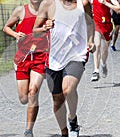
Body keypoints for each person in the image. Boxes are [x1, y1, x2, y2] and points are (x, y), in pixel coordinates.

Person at [33, 0, 95, 136]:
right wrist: (44, 28)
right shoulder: (48, 4)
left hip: (76, 54)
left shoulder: (83, 3)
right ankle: (64, 131)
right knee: (57, 100)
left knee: (68, 89)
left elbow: (90, 23)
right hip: (54, 57)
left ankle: (72, 120)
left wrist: (90, 40)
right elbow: (35, 31)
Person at [3, 0, 49, 136]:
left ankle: (29, 130)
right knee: (23, 98)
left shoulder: (48, 11)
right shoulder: (20, 11)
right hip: (22, 58)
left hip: (40, 57)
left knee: (33, 92)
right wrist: (15, 34)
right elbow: (6, 27)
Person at [90, 0, 120, 81]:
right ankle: (96, 71)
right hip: (96, 23)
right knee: (97, 45)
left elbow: (119, 9)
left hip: (107, 25)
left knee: (105, 49)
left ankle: (103, 64)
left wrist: (105, 3)